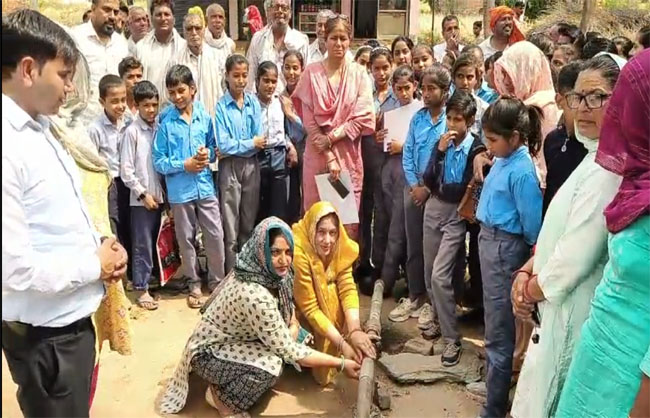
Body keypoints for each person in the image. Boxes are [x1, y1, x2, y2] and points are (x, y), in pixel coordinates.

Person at [2, 9, 127, 417]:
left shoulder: (41, 128)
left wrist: (100, 247)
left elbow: (52, 219)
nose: (70, 87)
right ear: (28, 70)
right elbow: (14, 268)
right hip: (46, 339)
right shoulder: (7, 146)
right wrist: (94, 265)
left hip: (66, 328)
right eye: (64, 74)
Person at [510, 53, 624, 418]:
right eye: (577, 97)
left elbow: (575, 257)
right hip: (551, 305)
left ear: (623, 101)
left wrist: (528, 292)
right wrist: (527, 270)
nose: (583, 107)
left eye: (597, 96)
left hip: (572, 312)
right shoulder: (593, 158)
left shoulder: (611, 171)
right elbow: (557, 231)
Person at [159, 217, 362, 415]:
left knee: (289, 342)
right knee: (271, 366)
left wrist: (292, 324)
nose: (284, 260)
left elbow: (290, 307)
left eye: (288, 252)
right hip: (208, 352)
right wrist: (341, 363)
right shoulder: (254, 294)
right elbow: (291, 351)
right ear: (261, 250)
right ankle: (221, 399)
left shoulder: (271, 271)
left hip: (239, 338)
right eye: (275, 252)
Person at [554, 49, 649, 418]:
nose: (620, 116)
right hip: (598, 359)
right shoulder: (636, 177)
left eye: (627, 104)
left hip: (630, 387)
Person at [476, 97, 543, 418]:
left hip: (504, 248)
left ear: (514, 137)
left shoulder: (522, 171)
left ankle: (493, 408)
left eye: (492, 140)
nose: (488, 146)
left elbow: (532, 226)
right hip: (491, 242)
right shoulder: (504, 159)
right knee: (495, 326)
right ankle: (495, 392)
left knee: (499, 334)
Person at [291, 15, 375, 240]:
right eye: (333, 38)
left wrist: (332, 138)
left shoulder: (359, 74)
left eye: (343, 38)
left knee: (346, 222)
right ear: (324, 39)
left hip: (347, 158)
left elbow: (364, 116)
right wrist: (328, 152)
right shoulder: (311, 73)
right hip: (317, 155)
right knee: (315, 218)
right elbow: (309, 120)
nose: (338, 43)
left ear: (350, 41)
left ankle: (344, 264)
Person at [421, 90, 486, 366]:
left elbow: (466, 185)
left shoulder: (475, 148)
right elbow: (428, 179)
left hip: (456, 215)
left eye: (458, 119)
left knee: (440, 276)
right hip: (433, 209)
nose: (451, 124)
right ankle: (439, 319)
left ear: (469, 122)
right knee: (429, 273)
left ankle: (452, 339)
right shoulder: (442, 143)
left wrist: (446, 188)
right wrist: (438, 152)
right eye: (449, 118)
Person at [153, 64, 226, 308]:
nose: (177, 97)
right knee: (186, 238)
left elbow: (214, 149)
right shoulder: (166, 122)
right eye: (172, 92)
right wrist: (184, 164)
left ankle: (217, 282)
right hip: (180, 191)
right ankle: (193, 283)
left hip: (204, 186)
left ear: (192, 89)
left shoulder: (204, 117)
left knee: (215, 234)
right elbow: (159, 160)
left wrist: (208, 155)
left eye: (181, 91)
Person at [293, 203, 376, 385]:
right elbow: (310, 309)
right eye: (321, 232)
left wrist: (355, 330)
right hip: (302, 315)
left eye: (332, 233)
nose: (327, 240)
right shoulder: (299, 252)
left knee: (333, 290)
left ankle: (341, 347)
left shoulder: (339, 245)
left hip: (324, 313)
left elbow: (347, 287)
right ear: (311, 230)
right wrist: (342, 344)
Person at [395, 65, 450, 331]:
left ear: (445, 91)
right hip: (414, 189)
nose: (426, 94)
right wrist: (415, 184)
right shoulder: (418, 118)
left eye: (432, 89)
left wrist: (426, 188)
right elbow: (408, 153)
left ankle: (432, 301)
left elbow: (446, 160)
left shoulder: (450, 121)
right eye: (424, 88)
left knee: (434, 251)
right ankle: (415, 295)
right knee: (413, 246)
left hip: (437, 193)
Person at [369, 65, 420, 297]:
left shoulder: (421, 111)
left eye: (407, 88)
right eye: (399, 89)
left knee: (400, 227)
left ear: (415, 86)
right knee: (383, 221)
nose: (403, 93)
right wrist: (379, 137)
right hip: (388, 169)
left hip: (408, 172)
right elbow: (380, 141)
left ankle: (389, 279)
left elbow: (426, 145)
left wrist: (404, 146)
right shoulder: (387, 110)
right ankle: (381, 272)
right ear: (393, 88)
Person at [215, 55, 265, 272]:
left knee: (248, 221)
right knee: (230, 224)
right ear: (227, 76)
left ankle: (245, 271)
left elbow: (260, 140)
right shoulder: (221, 107)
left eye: (245, 75)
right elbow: (223, 144)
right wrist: (250, 143)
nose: (241, 80)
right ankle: (230, 273)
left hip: (251, 166)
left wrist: (244, 145)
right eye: (236, 75)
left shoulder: (253, 102)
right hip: (230, 168)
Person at [120, 80, 164, 311]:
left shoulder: (159, 128)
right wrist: (142, 194)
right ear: (136, 106)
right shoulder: (132, 132)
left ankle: (158, 280)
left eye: (154, 105)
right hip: (141, 201)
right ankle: (141, 287)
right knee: (142, 244)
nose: (151, 110)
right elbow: (126, 171)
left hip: (161, 197)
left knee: (159, 242)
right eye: (146, 105)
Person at [493, 40, 562, 186]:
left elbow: (542, 164)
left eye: (511, 73)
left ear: (528, 71)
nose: (506, 81)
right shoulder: (514, 105)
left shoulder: (545, 108)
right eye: (503, 74)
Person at [358, 48, 397, 288]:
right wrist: (372, 132)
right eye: (376, 68)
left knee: (384, 216)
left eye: (385, 68)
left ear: (392, 66)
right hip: (365, 160)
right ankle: (363, 262)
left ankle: (382, 267)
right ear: (370, 69)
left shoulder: (399, 94)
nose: (381, 73)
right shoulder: (364, 94)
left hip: (390, 163)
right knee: (364, 212)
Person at [88, 75, 132, 257]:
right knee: (114, 221)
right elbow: (93, 160)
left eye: (123, 100)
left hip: (129, 181)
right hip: (110, 183)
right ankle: (118, 262)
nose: (120, 105)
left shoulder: (129, 122)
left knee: (130, 221)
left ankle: (131, 264)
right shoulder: (95, 129)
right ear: (102, 102)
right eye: (114, 101)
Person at [71, 0, 129, 126]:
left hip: (115, 124)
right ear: (93, 9)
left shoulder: (121, 43)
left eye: (116, 12)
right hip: (83, 122)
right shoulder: (75, 38)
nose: (112, 16)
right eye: (106, 10)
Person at [539, 61, 586, 216]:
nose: (584, 108)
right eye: (576, 99)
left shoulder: (598, 148)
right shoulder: (552, 141)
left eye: (592, 99)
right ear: (559, 101)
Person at [256, 61, 296, 223]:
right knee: (259, 206)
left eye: (273, 81)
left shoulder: (281, 102)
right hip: (258, 156)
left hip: (279, 156)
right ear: (257, 81)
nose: (270, 86)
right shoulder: (251, 104)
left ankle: (278, 237)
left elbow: (286, 130)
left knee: (279, 206)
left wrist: (290, 146)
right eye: (266, 81)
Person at [167, 13, 224, 118]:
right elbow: (170, 95)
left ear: (204, 30)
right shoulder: (175, 60)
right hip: (184, 119)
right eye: (189, 29)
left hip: (213, 117)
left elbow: (225, 89)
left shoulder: (217, 57)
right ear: (184, 32)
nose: (194, 33)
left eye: (197, 28)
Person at [246, 0, 309, 93]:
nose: (280, 11)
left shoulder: (301, 41)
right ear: (270, 10)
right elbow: (250, 77)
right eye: (276, 7)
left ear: (290, 13)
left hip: (292, 99)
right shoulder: (258, 39)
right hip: (263, 100)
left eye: (284, 8)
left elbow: (306, 78)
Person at [135, 0, 186, 108]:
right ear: (151, 19)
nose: (163, 18)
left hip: (178, 110)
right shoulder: (140, 47)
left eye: (167, 14)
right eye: (158, 15)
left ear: (174, 19)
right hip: (149, 111)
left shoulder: (184, 47)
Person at [281, 50, 306, 224]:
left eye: (295, 68)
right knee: (290, 196)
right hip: (287, 148)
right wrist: (289, 145)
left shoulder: (307, 94)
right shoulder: (280, 96)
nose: (291, 73)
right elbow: (277, 128)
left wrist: (291, 115)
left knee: (307, 193)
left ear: (302, 69)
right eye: (287, 67)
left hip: (307, 146)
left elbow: (310, 127)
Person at [451, 52, 489, 140]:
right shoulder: (445, 106)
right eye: (460, 76)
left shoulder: (483, 109)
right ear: (453, 78)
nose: (465, 82)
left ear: (477, 79)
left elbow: (486, 142)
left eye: (469, 77)